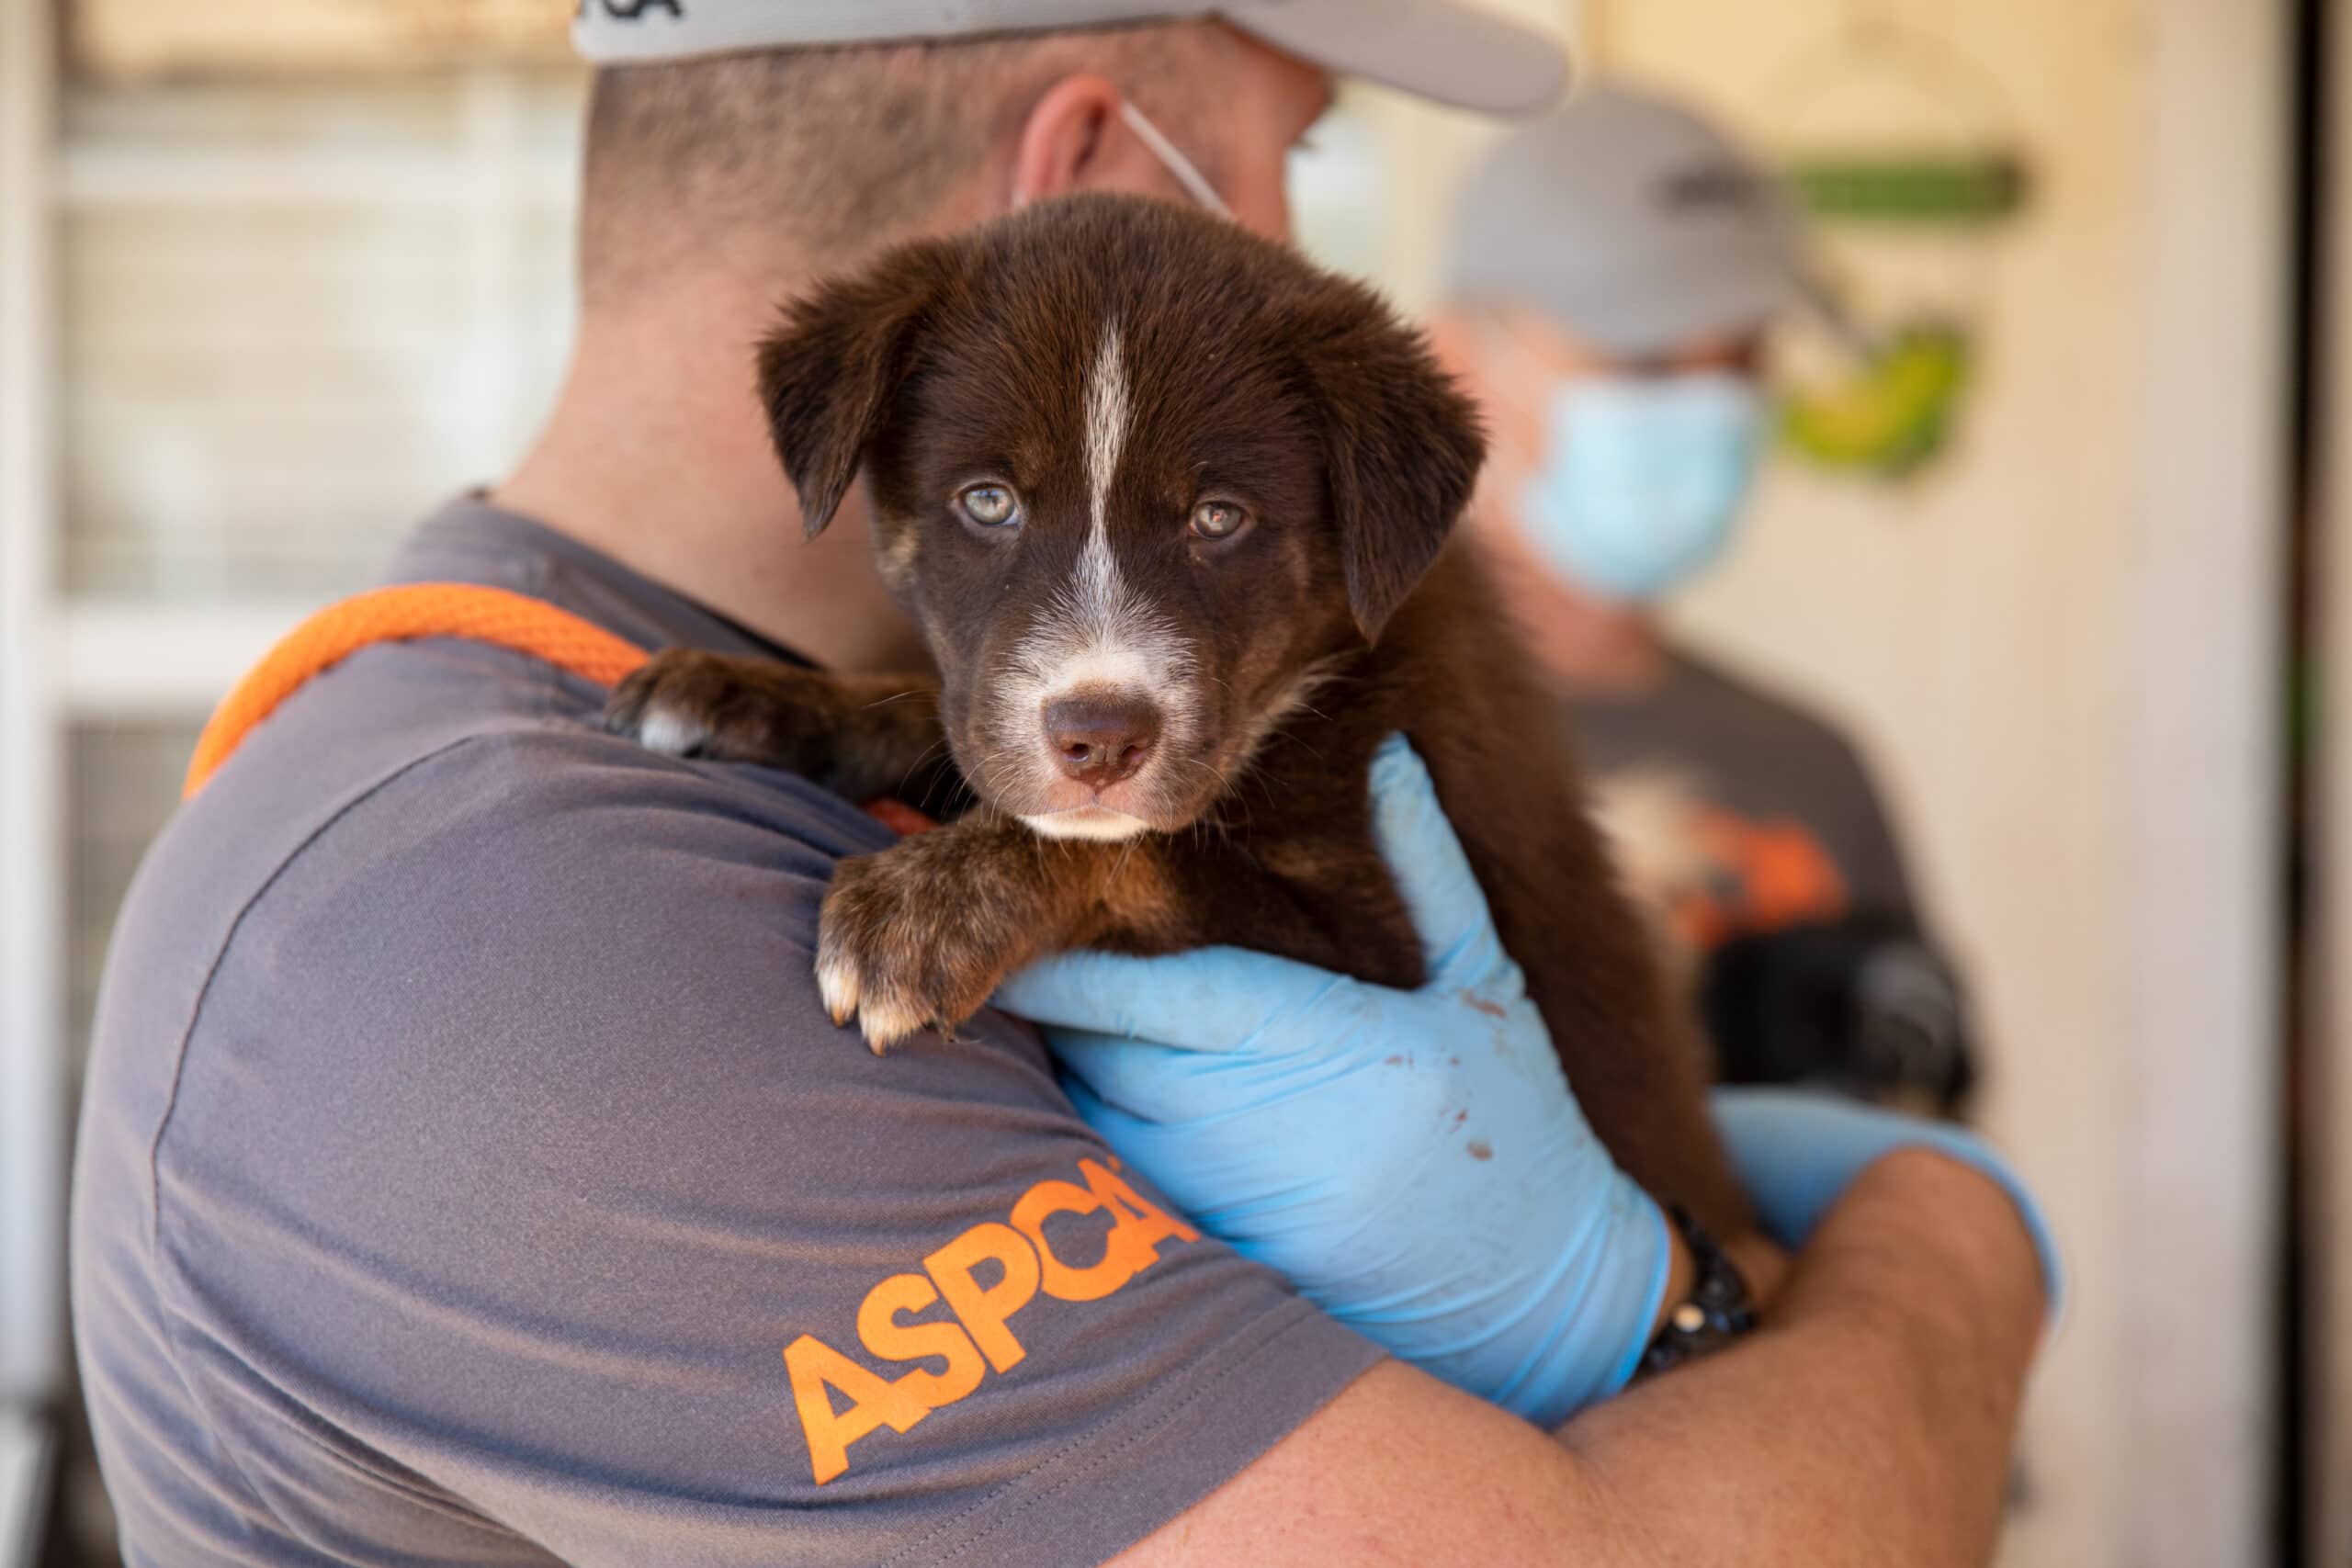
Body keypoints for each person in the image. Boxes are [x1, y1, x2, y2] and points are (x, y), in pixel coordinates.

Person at [71, 9, 2053, 1565]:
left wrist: (1715, 1243)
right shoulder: (493, 932)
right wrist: (1933, 1252)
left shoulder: (584, 747)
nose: (1293, 238)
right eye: (1300, 157)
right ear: (1094, 168)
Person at [1435, 84, 1976, 1113]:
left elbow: (1938, 1163)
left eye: (1742, 360)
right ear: (1461, 359)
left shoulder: (1814, 762)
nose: (1707, 408)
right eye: (1641, 358)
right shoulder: (1345, 747)